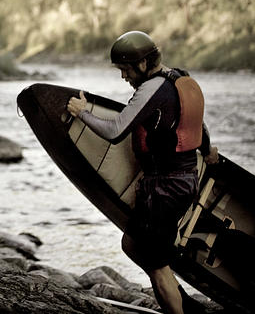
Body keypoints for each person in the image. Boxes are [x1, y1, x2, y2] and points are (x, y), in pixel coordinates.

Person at [66, 31, 218, 314]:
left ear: (144, 64)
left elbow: (115, 131)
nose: (123, 76)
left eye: (125, 69)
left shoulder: (151, 90)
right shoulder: (179, 78)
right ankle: (184, 303)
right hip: (184, 180)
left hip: (166, 189)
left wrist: (82, 112)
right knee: (132, 245)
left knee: (157, 265)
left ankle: (178, 309)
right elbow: (197, 123)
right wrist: (208, 150)